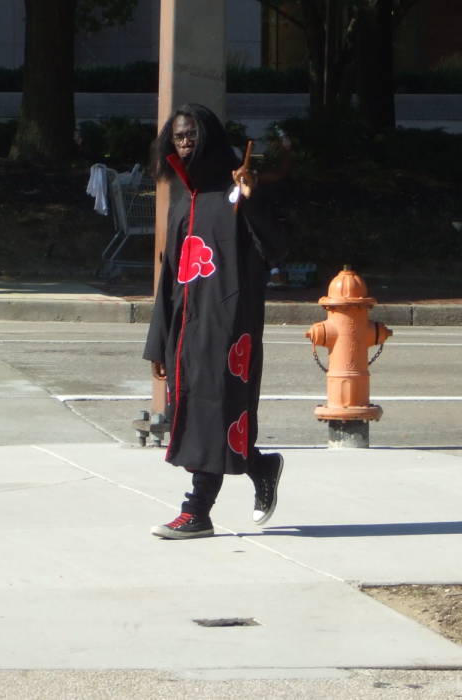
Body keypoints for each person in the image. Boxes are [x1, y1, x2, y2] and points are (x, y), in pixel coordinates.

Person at [144, 103, 287, 539]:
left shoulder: (237, 188)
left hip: (228, 324)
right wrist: (159, 342)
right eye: (178, 138)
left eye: (191, 136)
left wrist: (251, 200)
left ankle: (197, 511)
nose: (185, 144)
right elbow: (171, 273)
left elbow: (275, 249)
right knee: (195, 413)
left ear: (208, 137)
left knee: (215, 410)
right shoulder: (181, 200)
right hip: (185, 328)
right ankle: (260, 464)